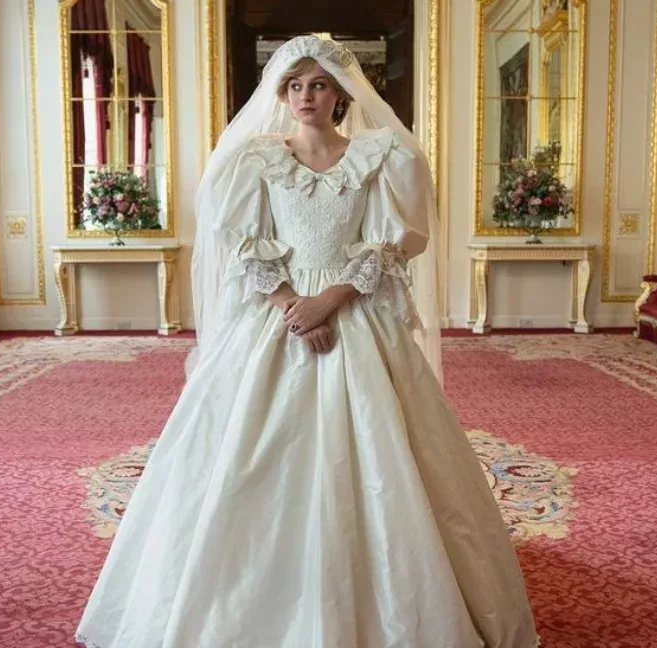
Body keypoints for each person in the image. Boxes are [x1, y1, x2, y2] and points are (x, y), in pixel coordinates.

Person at [75, 35, 540, 648]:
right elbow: (242, 247)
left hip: (354, 310)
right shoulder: (256, 160)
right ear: (281, 92)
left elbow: (391, 245)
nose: (304, 96)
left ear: (340, 92)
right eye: (294, 86)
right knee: (242, 454)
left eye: (317, 85)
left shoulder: (380, 157)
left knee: (388, 456)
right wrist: (295, 306)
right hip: (277, 315)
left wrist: (331, 299)